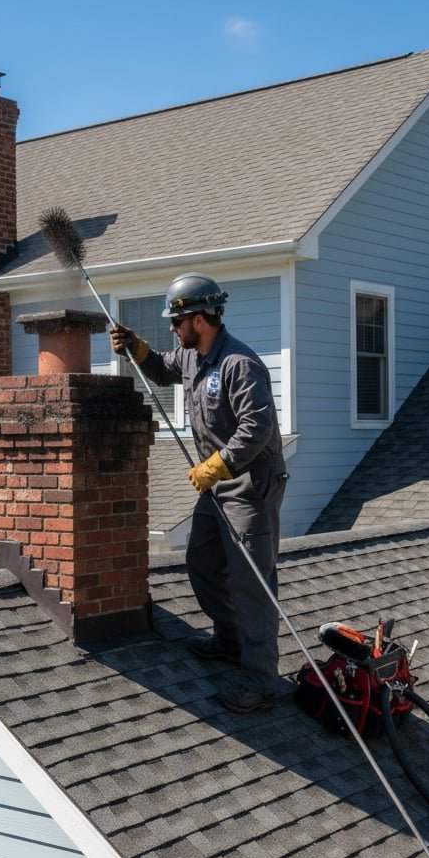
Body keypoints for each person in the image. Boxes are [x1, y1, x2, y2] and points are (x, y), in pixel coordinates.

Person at [110, 273, 287, 712]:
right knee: (203, 562)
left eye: (176, 320)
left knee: (252, 583)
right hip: (216, 486)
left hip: (250, 485)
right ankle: (230, 641)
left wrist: (218, 464)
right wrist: (137, 348)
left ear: (200, 319)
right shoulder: (192, 358)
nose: (172, 328)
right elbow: (162, 368)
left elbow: (258, 428)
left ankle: (261, 680)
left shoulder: (239, 364)